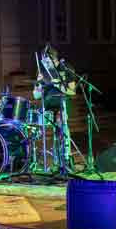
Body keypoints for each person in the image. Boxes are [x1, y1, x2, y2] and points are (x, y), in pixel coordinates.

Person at [33, 44, 77, 174]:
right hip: (47, 105)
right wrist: (39, 84)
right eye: (43, 61)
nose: (45, 63)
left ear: (53, 58)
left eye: (47, 60)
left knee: (61, 125)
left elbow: (72, 91)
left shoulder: (66, 68)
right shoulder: (41, 71)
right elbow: (35, 95)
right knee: (32, 125)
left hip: (62, 104)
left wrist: (59, 85)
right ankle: (36, 159)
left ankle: (65, 158)